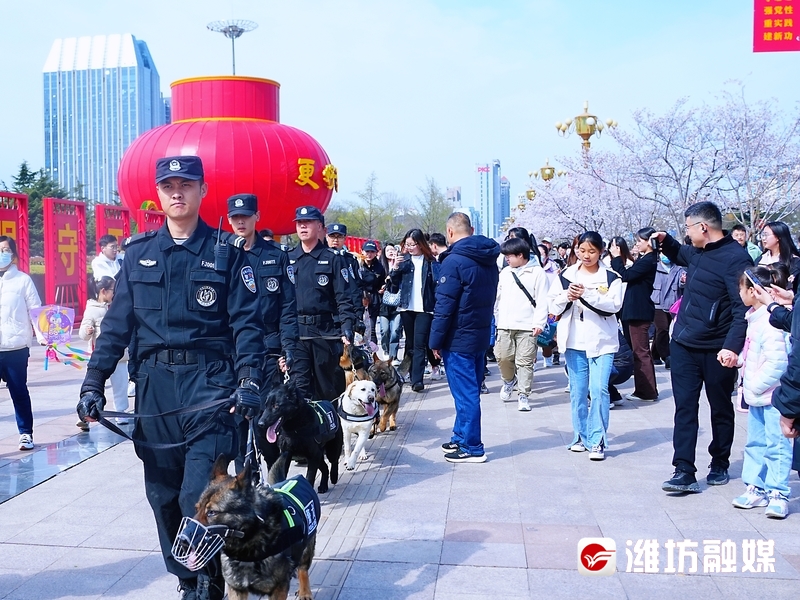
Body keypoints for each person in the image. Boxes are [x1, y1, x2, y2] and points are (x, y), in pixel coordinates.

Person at [76, 156, 265, 600]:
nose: (176, 192)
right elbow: (116, 328)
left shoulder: (227, 253)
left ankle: (208, 582)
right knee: (162, 495)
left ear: (202, 191)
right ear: (158, 195)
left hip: (211, 387)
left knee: (195, 496)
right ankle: (187, 578)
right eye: (168, 186)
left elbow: (247, 327)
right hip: (156, 389)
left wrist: (251, 380)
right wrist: (92, 383)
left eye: (186, 184)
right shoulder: (139, 253)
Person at [654, 201, 753, 494]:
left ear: (703, 227)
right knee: (685, 407)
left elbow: (741, 310)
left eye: (687, 227)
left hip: (717, 349)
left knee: (720, 407)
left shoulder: (736, 259)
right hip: (684, 343)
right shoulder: (696, 252)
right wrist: (665, 240)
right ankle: (683, 468)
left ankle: (719, 462)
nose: (686, 233)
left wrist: (732, 348)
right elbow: (679, 252)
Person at [226, 193, 299, 468]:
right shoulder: (220, 253)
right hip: (232, 350)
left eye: (246, 216)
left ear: (257, 217)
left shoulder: (275, 257)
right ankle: (242, 477)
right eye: (235, 217)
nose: (240, 222)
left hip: (267, 351)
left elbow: (288, 309)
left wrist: (288, 348)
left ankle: (271, 474)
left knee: (264, 420)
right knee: (234, 422)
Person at [430, 212, 499, 463]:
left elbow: (445, 305)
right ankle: (460, 436)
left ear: (450, 232)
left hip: (458, 337)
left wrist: (435, 341)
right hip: (479, 333)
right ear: (471, 229)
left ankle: (472, 446)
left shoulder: (454, 260)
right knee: (466, 391)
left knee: (466, 393)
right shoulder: (489, 258)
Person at [548, 231, 623, 461]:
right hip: (574, 341)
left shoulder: (612, 277)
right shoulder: (565, 275)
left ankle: (598, 439)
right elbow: (553, 305)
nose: (586, 255)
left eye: (592, 251)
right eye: (582, 250)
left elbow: (614, 306)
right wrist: (567, 297)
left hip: (602, 341)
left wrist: (587, 294)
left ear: (601, 251)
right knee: (578, 392)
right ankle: (580, 436)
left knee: (599, 390)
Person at [730, 265, 792, 518]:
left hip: (771, 396)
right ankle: (756, 487)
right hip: (757, 395)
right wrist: (740, 362)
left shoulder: (771, 321)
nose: (739, 293)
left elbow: (778, 363)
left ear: (754, 291)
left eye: (742, 288)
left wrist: (753, 385)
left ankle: (778, 492)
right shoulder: (754, 319)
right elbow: (757, 356)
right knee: (755, 443)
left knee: (776, 445)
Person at [288, 207, 357, 401]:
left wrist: (347, 327)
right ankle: (302, 431)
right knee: (298, 387)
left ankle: (330, 429)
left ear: (319, 226)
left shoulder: (333, 259)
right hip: (297, 333)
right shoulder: (288, 258)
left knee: (326, 388)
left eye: (308, 222)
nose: (303, 226)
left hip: (325, 332)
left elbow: (343, 298)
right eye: (299, 223)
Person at [495, 237, 549, 411]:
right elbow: (497, 297)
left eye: (509, 256)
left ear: (521, 255)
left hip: (528, 325)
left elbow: (542, 300)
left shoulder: (537, 273)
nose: (507, 259)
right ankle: (509, 380)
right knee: (502, 357)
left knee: (525, 362)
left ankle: (523, 394)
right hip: (505, 323)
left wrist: (539, 322)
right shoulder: (505, 273)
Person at [0, 236, 42, 451]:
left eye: (5, 250)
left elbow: (36, 310)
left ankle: (25, 433)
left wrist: (44, 337)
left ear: (14, 254)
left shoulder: (23, 280)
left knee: (18, 391)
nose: (2, 254)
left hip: (15, 346)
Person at [610, 227, 659, 402]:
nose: (637, 244)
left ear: (649, 242)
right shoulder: (645, 258)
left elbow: (626, 275)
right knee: (639, 351)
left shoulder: (649, 260)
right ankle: (644, 390)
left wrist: (616, 257)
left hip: (640, 311)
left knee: (641, 352)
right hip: (634, 310)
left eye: (639, 241)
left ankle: (647, 392)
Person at [389, 228, 439, 392]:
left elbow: (436, 286)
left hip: (425, 309)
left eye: (412, 244)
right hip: (406, 308)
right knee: (410, 343)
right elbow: (393, 284)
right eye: (407, 244)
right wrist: (395, 268)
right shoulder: (404, 262)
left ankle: (417, 380)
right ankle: (409, 374)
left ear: (421, 244)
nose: (409, 247)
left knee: (419, 344)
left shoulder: (431, 262)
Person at [78, 276, 129, 429]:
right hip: (98, 357)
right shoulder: (92, 309)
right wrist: (87, 332)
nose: (115, 293)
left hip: (120, 357)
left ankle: (120, 412)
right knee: (92, 388)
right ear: (103, 291)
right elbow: (82, 333)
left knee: (120, 386)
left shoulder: (117, 306)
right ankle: (85, 416)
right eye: (113, 290)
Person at [650, 254, 684, 370]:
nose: (666, 256)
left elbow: (681, 283)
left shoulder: (678, 268)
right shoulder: (654, 267)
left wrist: (683, 281)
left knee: (660, 331)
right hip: (657, 304)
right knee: (662, 328)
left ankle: (654, 354)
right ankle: (667, 356)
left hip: (672, 304)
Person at [378, 243, 403, 360]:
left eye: (393, 250)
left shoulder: (401, 265)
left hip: (398, 303)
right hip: (384, 304)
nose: (391, 252)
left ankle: (393, 356)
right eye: (388, 250)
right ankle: (386, 350)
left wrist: (397, 266)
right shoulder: (380, 266)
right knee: (384, 330)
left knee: (395, 331)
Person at [758, 221, 800, 287]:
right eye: (762, 235)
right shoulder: (760, 259)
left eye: (766, 235)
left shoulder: (794, 261)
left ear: (778, 237)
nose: (763, 238)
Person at [360, 240, 386, 347]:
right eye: (367, 251)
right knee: (359, 327)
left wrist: (382, 287)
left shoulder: (379, 267)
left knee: (371, 327)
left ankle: (373, 353)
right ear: (362, 251)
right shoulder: (358, 264)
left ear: (376, 253)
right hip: (360, 298)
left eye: (372, 252)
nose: (369, 254)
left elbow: (382, 282)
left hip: (373, 299)